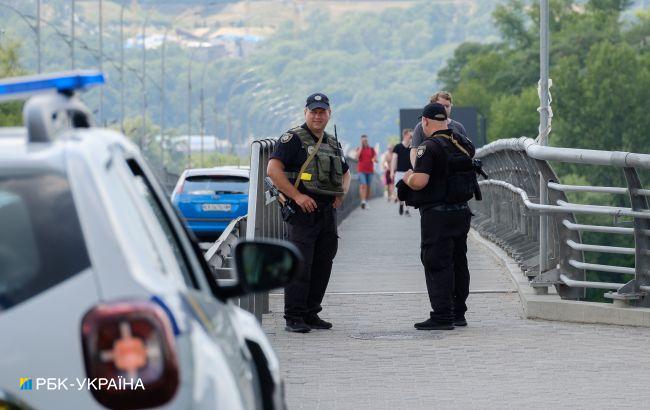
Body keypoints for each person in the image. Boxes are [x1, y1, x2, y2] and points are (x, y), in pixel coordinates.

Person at [267, 93, 352, 333]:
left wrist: (341, 194)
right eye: (313, 111)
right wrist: (297, 196)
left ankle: (311, 313)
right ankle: (293, 317)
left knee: (323, 263)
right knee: (301, 265)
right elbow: (273, 170)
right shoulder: (292, 139)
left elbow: (346, 173)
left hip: (326, 212)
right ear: (305, 112)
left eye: (322, 111)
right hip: (302, 212)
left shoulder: (332, 142)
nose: (317, 116)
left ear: (329, 114)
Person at [402, 102, 475, 330]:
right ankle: (458, 313)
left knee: (436, 260)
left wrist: (407, 179)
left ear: (424, 121)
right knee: (459, 260)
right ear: (446, 120)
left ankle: (442, 315)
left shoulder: (429, 146)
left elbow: (421, 180)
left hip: (437, 214)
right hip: (461, 211)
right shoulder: (462, 143)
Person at [410, 91, 471, 167]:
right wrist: (417, 169)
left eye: (447, 106)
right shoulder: (421, 127)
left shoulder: (459, 127)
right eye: (441, 106)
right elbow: (414, 150)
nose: (445, 109)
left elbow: (467, 151)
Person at [391, 128, 413, 216]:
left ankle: (407, 209)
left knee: (409, 191)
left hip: (410, 172)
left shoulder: (413, 147)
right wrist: (392, 171)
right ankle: (401, 204)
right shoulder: (398, 147)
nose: (411, 137)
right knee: (399, 190)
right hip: (399, 172)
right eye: (410, 135)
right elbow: (394, 159)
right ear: (405, 135)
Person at [355, 134, 376, 209]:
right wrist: (361, 147)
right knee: (363, 185)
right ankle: (363, 201)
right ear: (361, 141)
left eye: (366, 140)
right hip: (361, 170)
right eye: (363, 140)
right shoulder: (359, 148)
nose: (365, 142)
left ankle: (366, 201)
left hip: (370, 170)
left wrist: (374, 159)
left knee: (368, 187)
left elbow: (375, 159)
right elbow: (356, 157)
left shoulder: (371, 149)